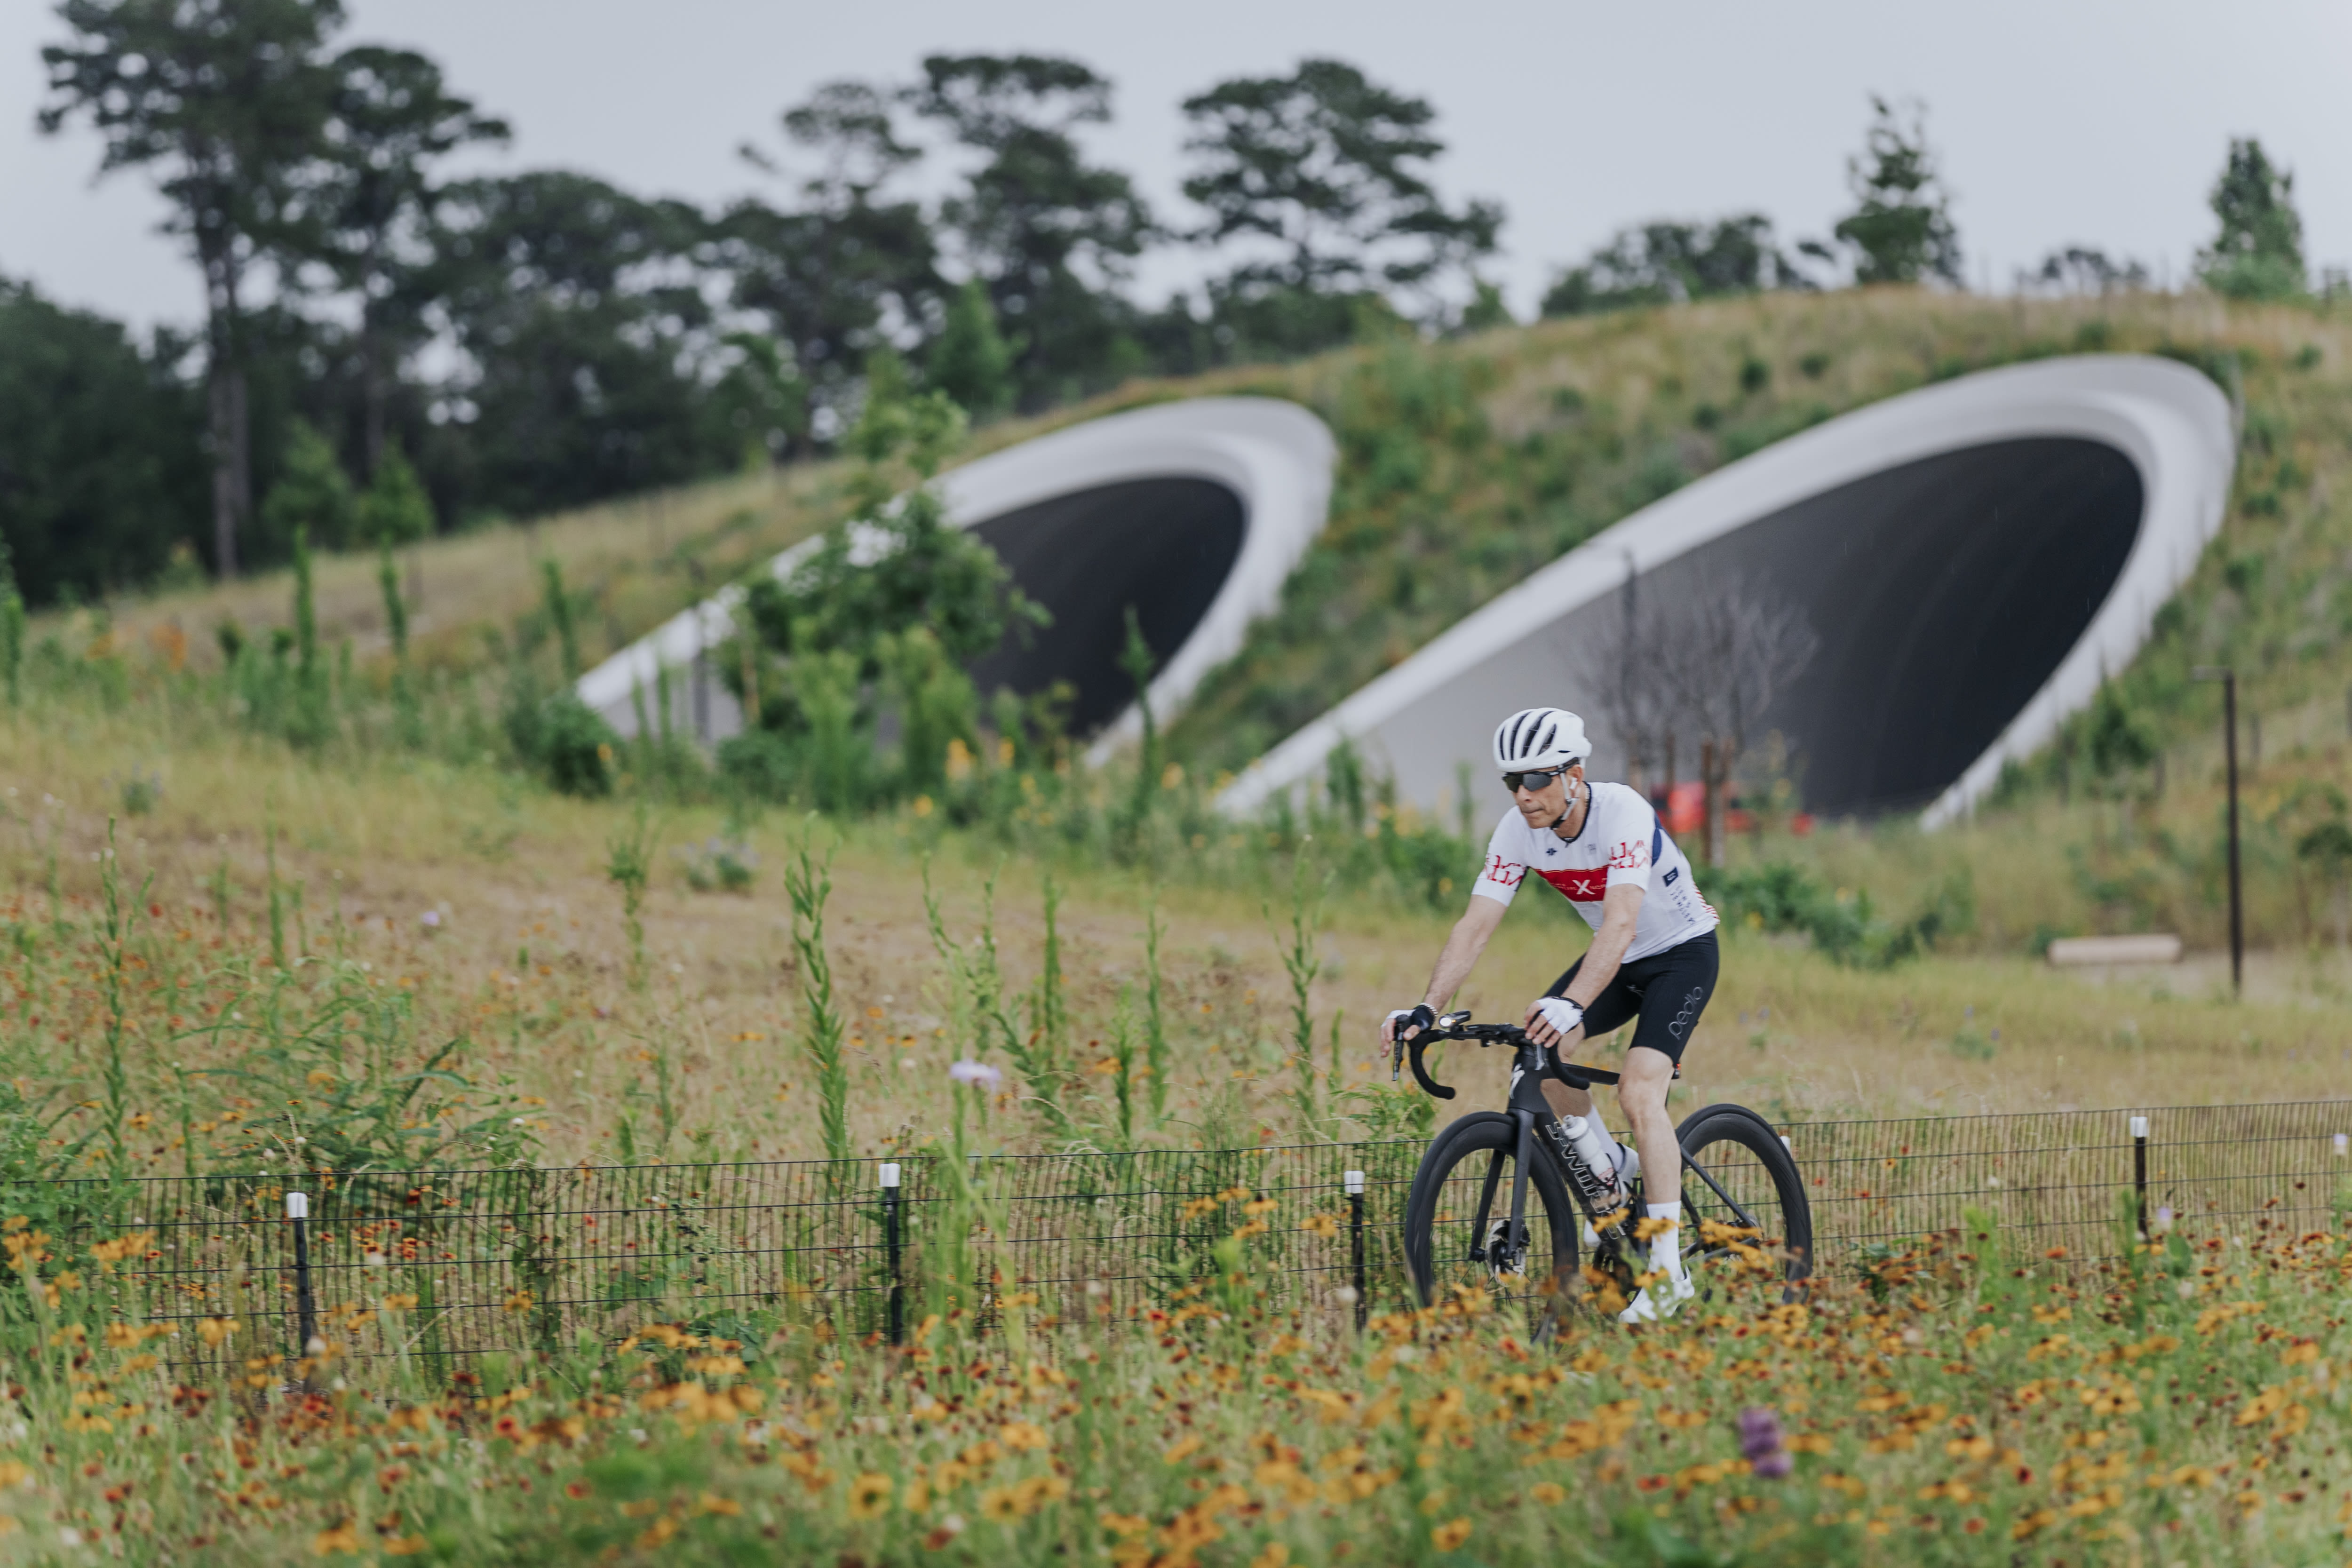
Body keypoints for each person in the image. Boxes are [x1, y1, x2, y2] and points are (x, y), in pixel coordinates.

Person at [1381, 706, 1720, 1322]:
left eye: (1536, 779)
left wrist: (1572, 1002)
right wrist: (1429, 1006)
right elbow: (1475, 926)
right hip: (1616, 959)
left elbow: (1620, 923)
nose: (1523, 795)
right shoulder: (1518, 831)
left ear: (1574, 774)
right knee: (1540, 1053)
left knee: (1641, 1092)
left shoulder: (1622, 813)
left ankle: (1669, 1271)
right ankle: (1613, 1173)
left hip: (1681, 955)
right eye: (1511, 782)